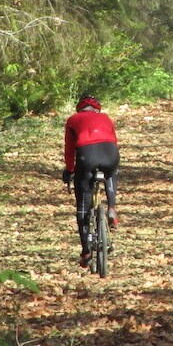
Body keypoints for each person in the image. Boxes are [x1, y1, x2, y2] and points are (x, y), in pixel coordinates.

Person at [63, 94, 120, 267]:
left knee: (83, 201)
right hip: (110, 153)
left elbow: (70, 149)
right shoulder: (106, 118)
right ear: (97, 109)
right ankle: (111, 208)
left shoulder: (73, 119)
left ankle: (86, 250)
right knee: (111, 172)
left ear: (80, 108)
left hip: (87, 155)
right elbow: (114, 141)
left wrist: (69, 170)